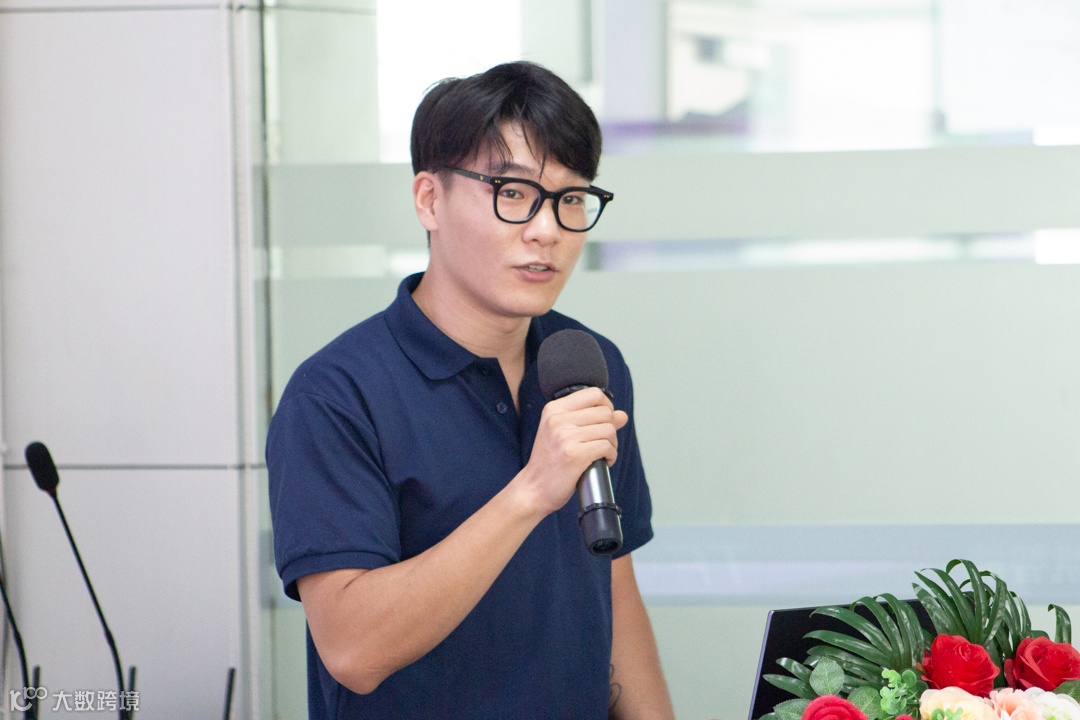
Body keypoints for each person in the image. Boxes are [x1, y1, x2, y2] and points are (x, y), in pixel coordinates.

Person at [267, 61, 673, 719]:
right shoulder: (336, 396)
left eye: (571, 198)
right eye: (513, 192)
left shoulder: (587, 364)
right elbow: (352, 649)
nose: (547, 230)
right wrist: (530, 492)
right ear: (430, 199)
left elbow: (613, 587)